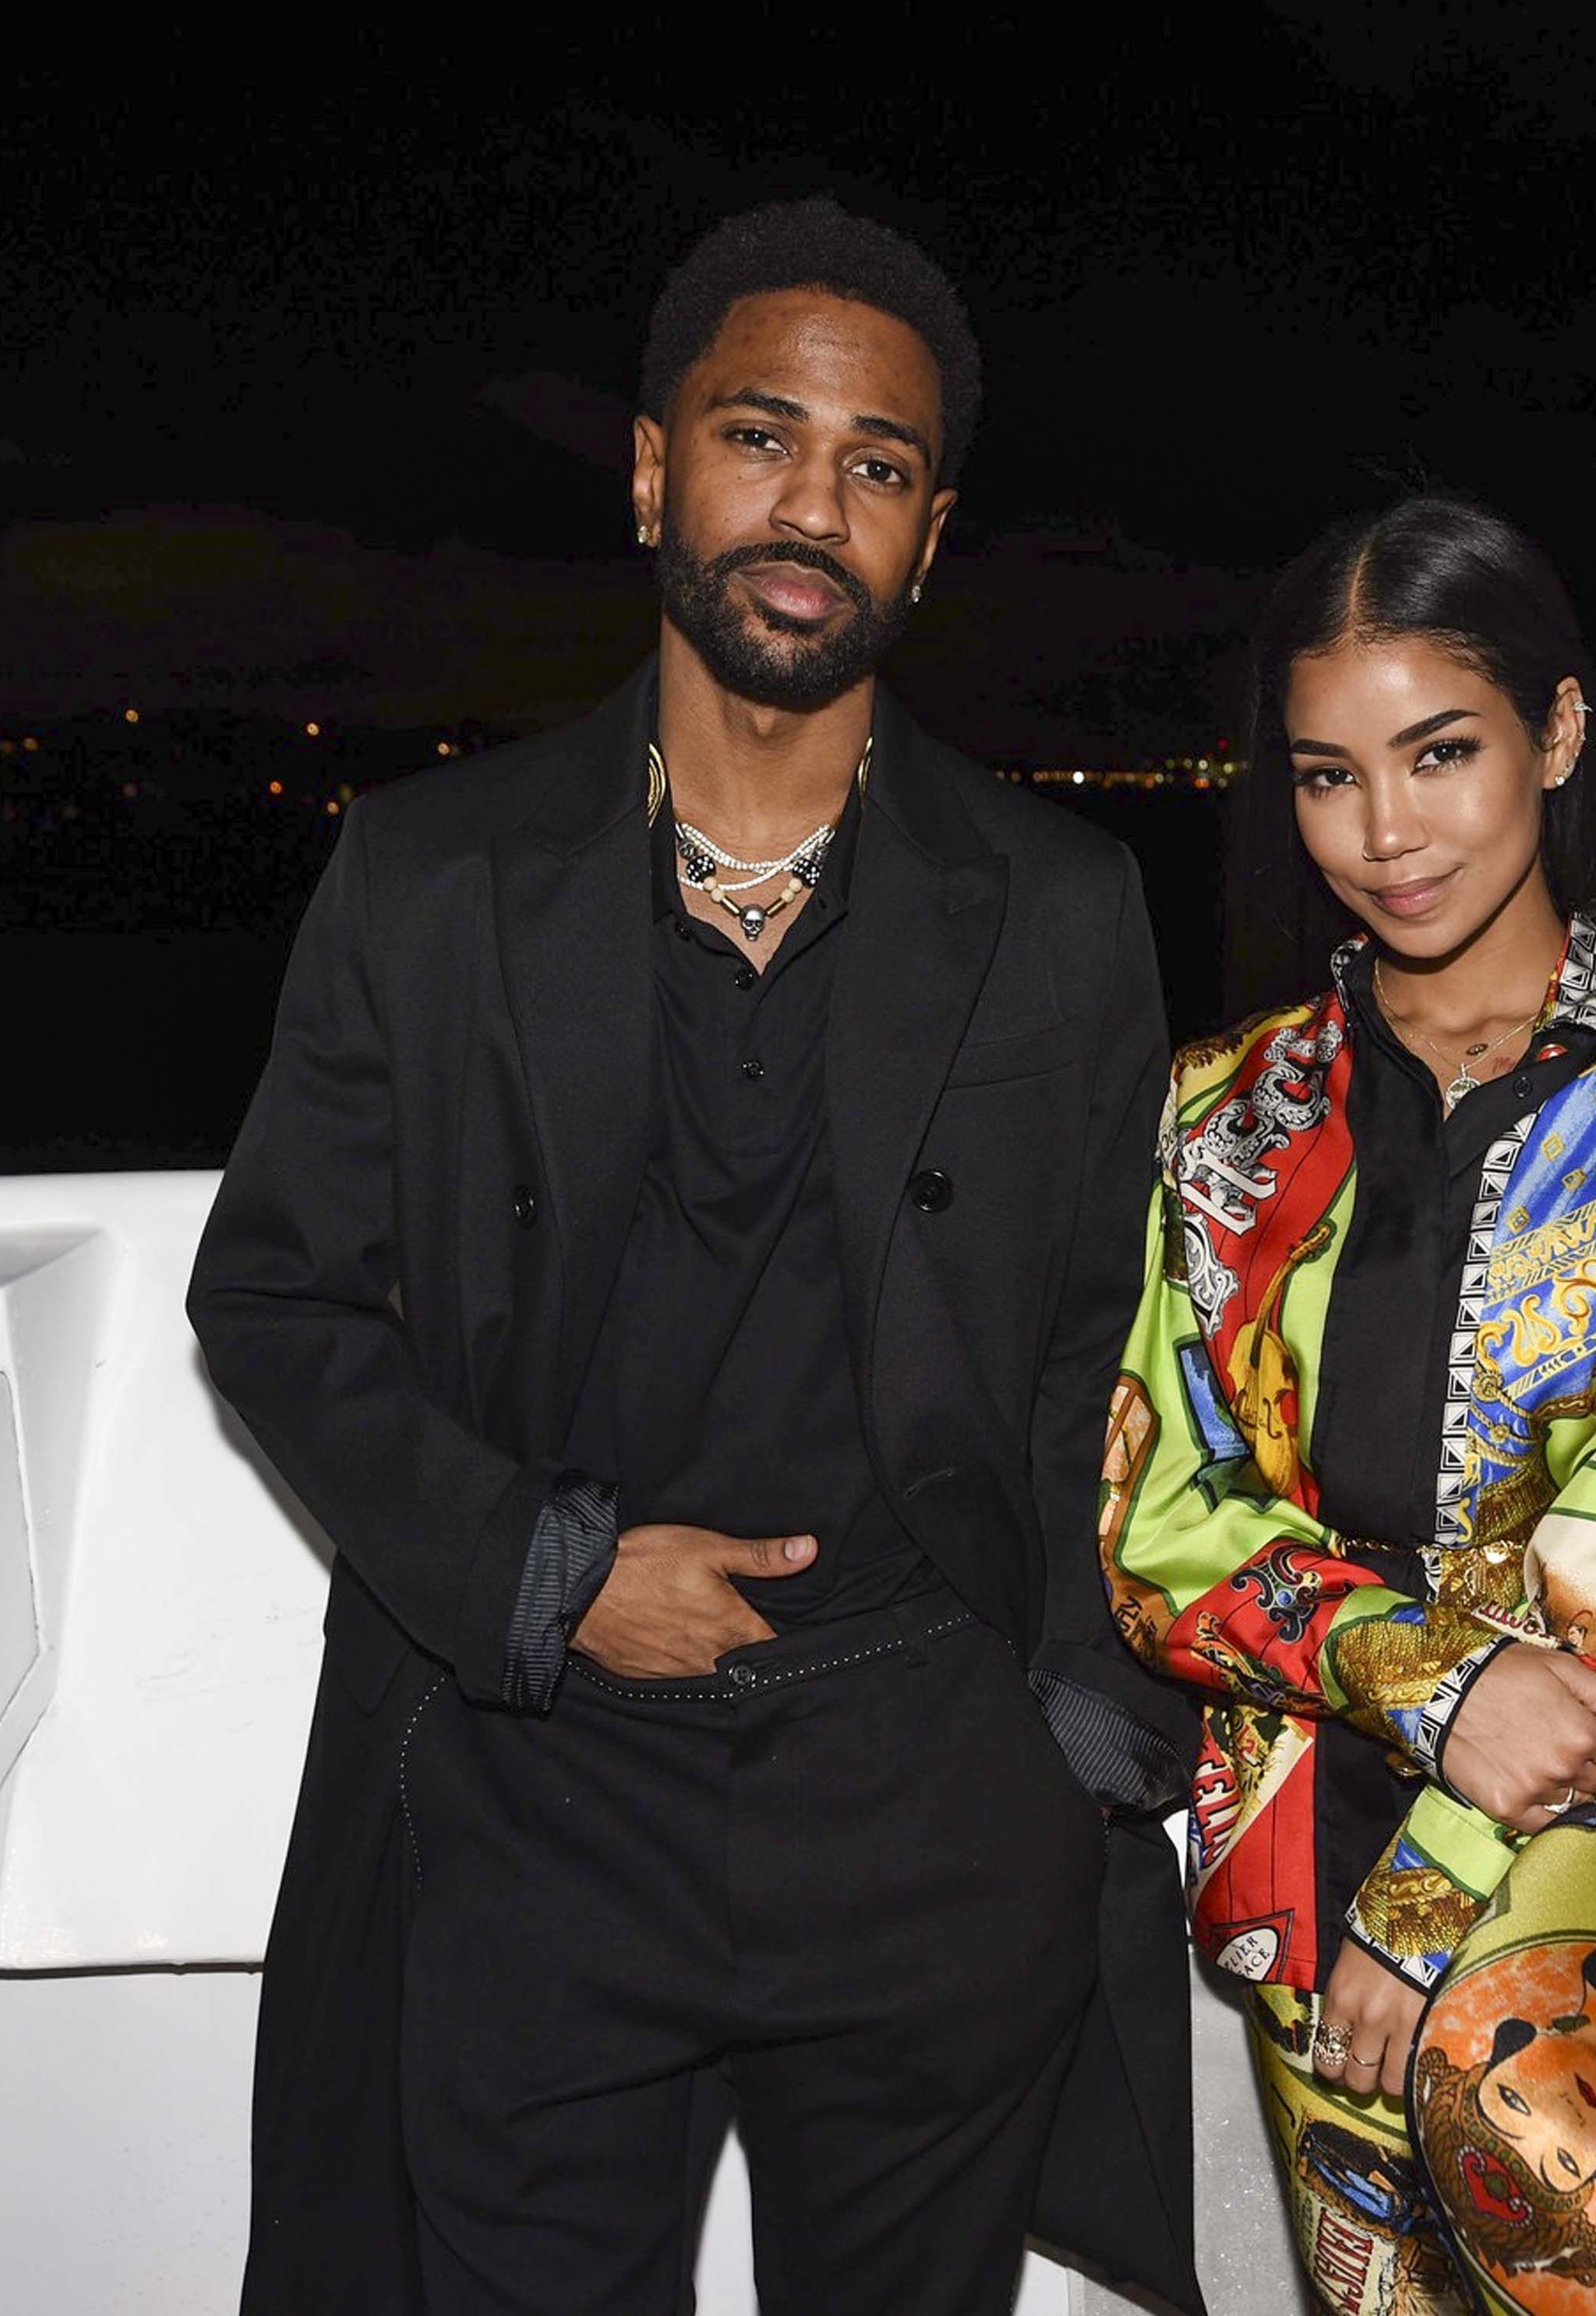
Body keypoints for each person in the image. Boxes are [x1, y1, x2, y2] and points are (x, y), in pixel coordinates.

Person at [190, 196, 1201, 2316]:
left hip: (926, 1816)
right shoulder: (430, 877)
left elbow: (1104, 1340)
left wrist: (1061, 1739)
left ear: (929, 535)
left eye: (876, 465)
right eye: (761, 437)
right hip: (539, 1793)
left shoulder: (1059, 903)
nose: (812, 506)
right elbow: (273, 1298)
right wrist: (549, 1574)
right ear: (654, 471)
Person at [1101, 495, 1596, 2313]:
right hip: (1301, 1809)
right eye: (1326, 776)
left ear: (1555, 734)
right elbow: (1159, 1521)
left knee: (1515, 2094)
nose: (1384, 833)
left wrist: (1430, 1897)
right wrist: (1426, 1690)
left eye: (1440, 754)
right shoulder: (1223, 1111)